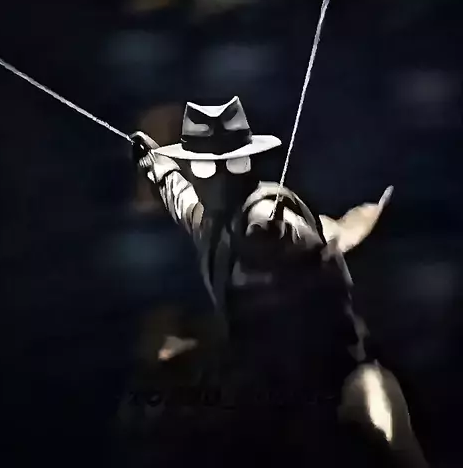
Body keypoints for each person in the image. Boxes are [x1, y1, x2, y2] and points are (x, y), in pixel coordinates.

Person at [130, 96, 429, 467]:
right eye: (208, 168)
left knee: (386, 426)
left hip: (339, 376)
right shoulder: (206, 221)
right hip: (270, 392)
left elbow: (321, 237)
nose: (222, 178)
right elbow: (177, 192)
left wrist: (283, 237)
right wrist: (155, 164)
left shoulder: (275, 215)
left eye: (232, 165)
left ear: (247, 163)